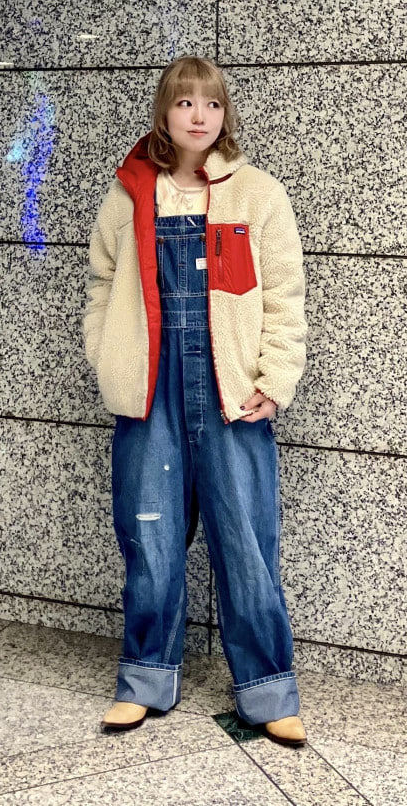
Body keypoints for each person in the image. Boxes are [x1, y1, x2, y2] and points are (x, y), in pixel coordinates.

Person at [83, 56, 308, 747]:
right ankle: (145, 678)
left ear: (224, 114)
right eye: (184, 103)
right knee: (149, 537)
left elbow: (284, 297)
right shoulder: (129, 196)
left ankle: (269, 690)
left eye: (211, 103)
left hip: (231, 393)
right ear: (164, 114)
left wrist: (274, 378)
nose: (199, 115)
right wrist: (109, 358)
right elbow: (101, 285)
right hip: (150, 394)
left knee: (246, 540)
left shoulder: (258, 195)